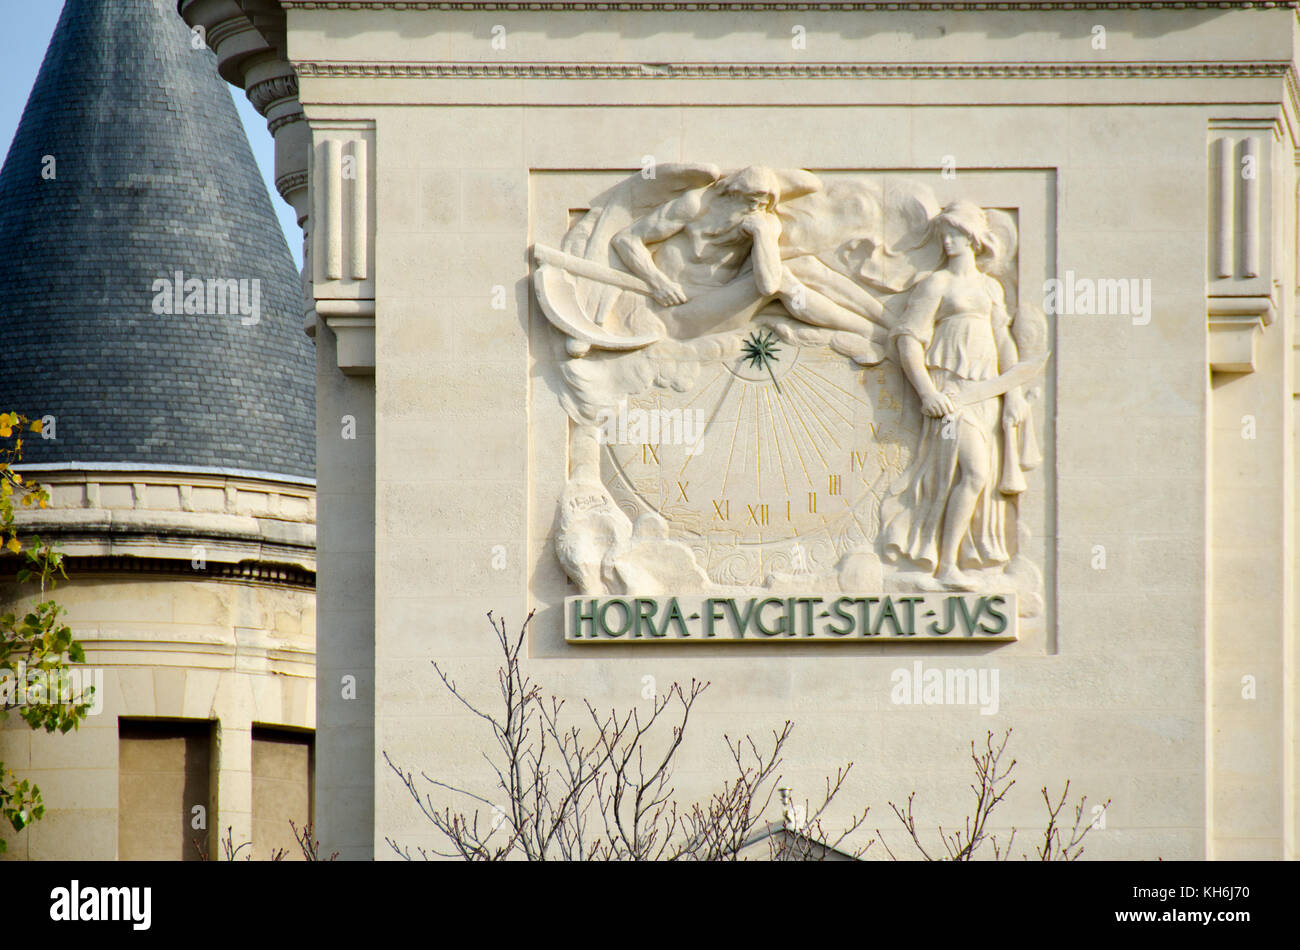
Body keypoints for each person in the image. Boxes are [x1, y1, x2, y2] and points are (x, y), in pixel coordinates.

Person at [879, 201, 1029, 591]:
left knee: (977, 477)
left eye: (957, 232)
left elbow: (1003, 342)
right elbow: (908, 340)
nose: (948, 239)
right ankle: (945, 564)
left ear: (974, 237)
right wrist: (926, 391)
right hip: (951, 394)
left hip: (986, 394)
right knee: (970, 472)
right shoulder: (935, 284)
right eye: (944, 232)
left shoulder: (991, 287)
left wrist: (1012, 392)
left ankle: (954, 558)